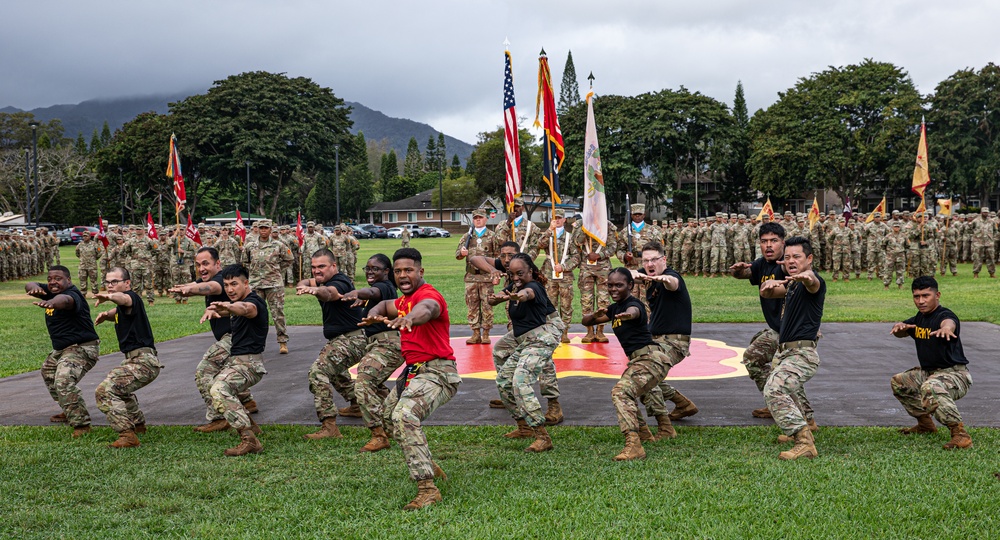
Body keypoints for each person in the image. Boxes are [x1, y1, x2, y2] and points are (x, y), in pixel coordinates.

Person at [359, 248, 461, 511]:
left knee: (404, 417)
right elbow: (386, 305)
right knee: (388, 417)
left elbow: (427, 310)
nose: (403, 275)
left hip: (438, 372)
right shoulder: (404, 299)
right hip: (414, 371)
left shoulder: (427, 296)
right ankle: (429, 465)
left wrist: (409, 319)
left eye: (408, 270)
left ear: (420, 272)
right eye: (398, 271)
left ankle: (427, 489)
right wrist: (375, 311)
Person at [730, 221, 818, 423]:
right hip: (777, 330)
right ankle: (776, 405)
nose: (769, 245)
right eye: (764, 241)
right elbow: (746, 274)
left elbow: (810, 279)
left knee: (783, 372)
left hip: (794, 332)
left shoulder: (789, 266)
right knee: (753, 358)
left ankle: (805, 419)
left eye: (774, 241)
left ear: (783, 243)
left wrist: (796, 278)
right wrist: (737, 270)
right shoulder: (762, 264)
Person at [470, 242, 563, 423]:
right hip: (524, 326)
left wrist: (518, 295)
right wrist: (492, 273)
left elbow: (528, 293)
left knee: (543, 361)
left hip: (546, 325)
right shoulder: (509, 267)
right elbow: (474, 258)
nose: (505, 259)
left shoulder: (529, 280)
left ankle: (554, 405)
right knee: (500, 350)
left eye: (510, 255)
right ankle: (511, 396)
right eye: (503, 256)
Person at [169, 247, 259, 433]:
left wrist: (191, 289)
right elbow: (202, 284)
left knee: (205, 370)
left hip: (233, 337)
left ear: (217, 264)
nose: (201, 268)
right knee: (225, 370)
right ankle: (247, 402)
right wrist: (187, 287)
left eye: (206, 264)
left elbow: (212, 288)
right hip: (233, 337)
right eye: (198, 264)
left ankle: (219, 417)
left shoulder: (220, 281)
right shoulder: (210, 278)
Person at [583, 268, 669, 460]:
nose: (614, 289)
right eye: (610, 285)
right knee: (627, 393)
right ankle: (645, 434)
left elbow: (635, 312)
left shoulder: (632, 304)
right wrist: (594, 315)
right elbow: (585, 321)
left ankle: (634, 444)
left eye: (619, 285)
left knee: (621, 392)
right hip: (639, 361)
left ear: (630, 285)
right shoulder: (614, 308)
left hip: (651, 358)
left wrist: (627, 316)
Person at [487, 253, 562, 452]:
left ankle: (542, 435)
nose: (516, 278)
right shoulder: (513, 286)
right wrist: (496, 298)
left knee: (520, 380)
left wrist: (518, 295)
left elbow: (527, 293)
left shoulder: (534, 287)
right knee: (504, 380)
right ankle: (524, 426)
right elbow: (496, 299)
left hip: (540, 338)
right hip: (524, 339)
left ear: (531, 271)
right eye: (512, 274)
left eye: (520, 273)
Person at [759, 236, 825, 460]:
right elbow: (769, 293)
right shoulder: (793, 286)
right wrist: (768, 286)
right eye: (787, 257)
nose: (791, 261)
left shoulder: (812, 281)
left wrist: (807, 277)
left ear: (809, 259)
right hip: (786, 351)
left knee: (774, 389)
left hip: (802, 353)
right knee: (790, 389)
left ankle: (804, 440)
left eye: (796, 257)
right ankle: (807, 423)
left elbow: (812, 282)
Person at [889, 276, 973, 449]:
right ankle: (925, 424)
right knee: (899, 382)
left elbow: (949, 323)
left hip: (955, 374)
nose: (921, 301)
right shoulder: (919, 318)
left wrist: (946, 329)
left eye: (926, 296)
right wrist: (900, 328)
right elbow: (903, 331)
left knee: (930, 387)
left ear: (937, 295)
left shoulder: (945, 315)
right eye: (916, 296)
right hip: (929, 373)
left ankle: (960, 434)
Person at [297, 249, 367, 440]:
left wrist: (316, 290)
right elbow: (309, 282)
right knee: (335, 372)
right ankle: (357, 405)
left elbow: (330, 293)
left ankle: (329, 426)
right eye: (313, 267)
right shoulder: (323, 280)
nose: (316, 271)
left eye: (321, 267)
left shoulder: (339, 282)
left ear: (333, 266)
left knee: (318, 372)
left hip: (353, 338)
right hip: (346, 338)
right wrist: (304, 285)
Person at [25, 266, 101, 437]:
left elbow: (65, 301)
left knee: (64, 379)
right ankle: (69, 409)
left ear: (68, 280)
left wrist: (51, 303)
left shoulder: (73, 295)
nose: (53, 282)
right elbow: (30, 284)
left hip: (82, 347)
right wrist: (32, 288)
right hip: (62, 349)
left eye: (58, 279)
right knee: (48, 372)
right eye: (50, 279)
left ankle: (82, 424)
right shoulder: (49, 290)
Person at [201, 264, 268, 456]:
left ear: (246, 283)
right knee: (207, 377)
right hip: (236, 362)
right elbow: (231, 310)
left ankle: (249, 439)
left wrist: (229, 307)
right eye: (226, 285)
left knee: (219, 389)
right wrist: (216, 310)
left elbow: (246, 309)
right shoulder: (236, 303)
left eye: (234, 284)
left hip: (250, 364)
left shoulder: (254, 302)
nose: (230, 289)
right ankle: (252, 426)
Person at [631, 242, 699, 433]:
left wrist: (663, 278)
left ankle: (665, 427)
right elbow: (626, 275)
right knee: (642, 366)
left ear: (663, 260)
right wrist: (631, 274)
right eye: (645, 261)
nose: (650, 264)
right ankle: (682, 403)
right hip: (657, 339)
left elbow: (672, 283)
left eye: (654, 259)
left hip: (674, 341)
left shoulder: (671, 276)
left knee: (644, 374)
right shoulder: (648, 276)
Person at [93, 267, 162, 448]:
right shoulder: (123, 307)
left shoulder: (132, 297)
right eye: (107, 282)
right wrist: (106, 315)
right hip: (134, 360)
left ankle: (127, 434)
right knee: (120, 388)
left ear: (127, 283)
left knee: (105, 390)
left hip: (144, 362)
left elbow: (123, 299)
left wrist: (108, 297)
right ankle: (138, 424)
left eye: (114, 282)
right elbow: (119, 310)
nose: (110, 286)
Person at [340, 253, 402, 452]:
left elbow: (372, 291)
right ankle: (394, 421)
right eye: (367, 268)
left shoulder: (383, 287)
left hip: (388, 345)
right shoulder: (384, 289)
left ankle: (379, 434)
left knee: (363, 384)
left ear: (386, 272)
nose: (370, 272)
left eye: (375, 269)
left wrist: (359, 292)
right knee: (374, 386)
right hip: (378, 344)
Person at [241, 219, 293, 354]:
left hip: (274, 284)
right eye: (261, 228)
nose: (263, 230)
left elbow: (289, 259)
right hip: (256, 284)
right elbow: (244, 262)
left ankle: (282, 342)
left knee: (278, 313)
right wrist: (254, 272)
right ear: (258, 229)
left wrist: (275, 270)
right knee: (255, 313)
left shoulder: (279, 245)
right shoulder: (250, 246)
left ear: (270, 230)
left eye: (266, 228)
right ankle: (254, 342)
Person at [455, 208, 498, 344]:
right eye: (475, 218)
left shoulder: (492, 236)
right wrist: (462, 253)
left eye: (480, 217)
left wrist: (496, 275)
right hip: (471, 277)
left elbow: (497, 257)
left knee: (487, 305)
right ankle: (475, 333)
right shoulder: (467, 236)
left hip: (486, 277)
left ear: (486, 219)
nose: (478, 220)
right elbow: (457, 255)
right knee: (472, 305)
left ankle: (486, 333)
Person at [538, 209, 579, 343]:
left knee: (566, 305)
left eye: (560, 218)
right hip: (549, 275)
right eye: (555, 218)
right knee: (550, 304)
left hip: (565, 276)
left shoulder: (570, 237)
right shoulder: (548, 234)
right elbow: (539, 244)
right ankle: (552, 331)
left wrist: (564, 266)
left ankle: (564, 331)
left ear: (564, 220)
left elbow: (576, 257)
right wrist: (550, 229)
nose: (557, 220)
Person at [74, 231, 102, 297]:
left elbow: (99, 252)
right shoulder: (80, 244)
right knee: (82, 280)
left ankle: (95, 293)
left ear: (89, 236)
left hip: (92, 266)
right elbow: (77, 253)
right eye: (84, 236)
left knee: (93, 280)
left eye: (86, 236)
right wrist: (82, 259)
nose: (85, 237)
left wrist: (94, 259)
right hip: (82, 266)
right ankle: (83, 294)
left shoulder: (94, 244)